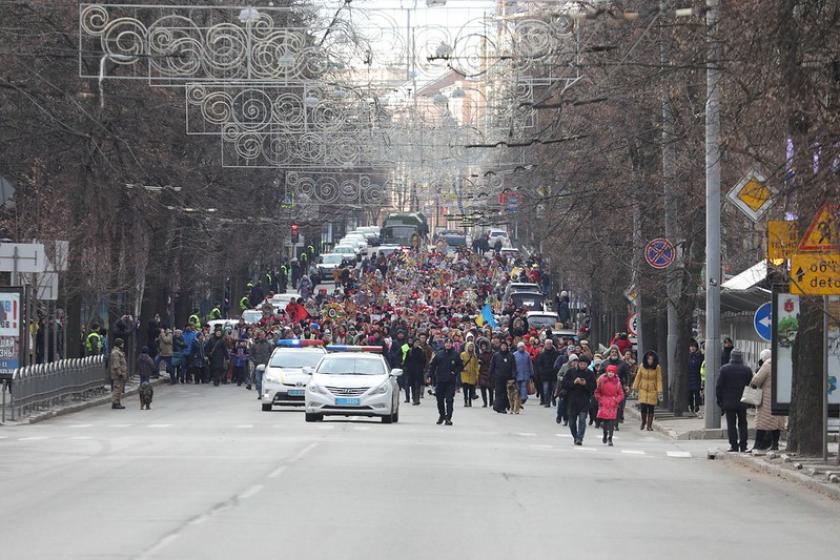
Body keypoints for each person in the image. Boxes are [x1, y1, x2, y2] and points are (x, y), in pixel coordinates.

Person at [716, 348, 752, 452]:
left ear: (731, 357)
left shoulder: (724, 369)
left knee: (731, 424)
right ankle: (743, 446)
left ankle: (734, 446)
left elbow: (719, 386)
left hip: (728, 402)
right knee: (743, 424)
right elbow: (751, 384)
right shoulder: (747, 370)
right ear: (741, 357)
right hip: (743, 402)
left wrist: (720, 401)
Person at [751, 349, 785, 452]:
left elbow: (756, 381)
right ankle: (775, 445)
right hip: (780, 397)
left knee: (761, 422)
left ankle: (757, 445)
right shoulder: (781, 364)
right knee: (777, 423)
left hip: (767, 398)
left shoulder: (767, 365)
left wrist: (753, 374)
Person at [561, 354, 595, 445]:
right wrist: (574, 382)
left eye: (585, 364)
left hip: (584, 400)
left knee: (582, 419)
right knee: (572, 422)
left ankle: (580, 438)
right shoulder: (571, 372)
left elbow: (593, 387)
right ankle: (575, 436)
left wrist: (585, 384)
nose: (583, 365)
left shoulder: (590, 374)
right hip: (572, 400)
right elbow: (564, 384)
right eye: (581, 363)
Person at [427, 339, 463, 425]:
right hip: (440, 380)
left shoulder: (455, 355)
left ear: (452, 344)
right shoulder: (439, 354)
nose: (448, 345)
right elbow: (433, 366)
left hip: (450, 381)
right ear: (444, 344)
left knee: (449, 400)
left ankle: (448, 418)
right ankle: (442, 415)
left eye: (450, 343)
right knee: (439, 400)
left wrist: (454, 372)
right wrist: (429, 376)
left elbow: (460, 366)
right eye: (446, 343)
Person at [633, 351, 663, 431]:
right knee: (643, 408)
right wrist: (635, 388)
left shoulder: (657, 367)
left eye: (651, 359)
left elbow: (659, 380)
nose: (650, 361)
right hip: (643, 389)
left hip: (652, 390)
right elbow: (638, 377)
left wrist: (659, 391)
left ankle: (649, 425)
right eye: (648, 359)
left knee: (651, 408)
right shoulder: (642, 366)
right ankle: (643, 421)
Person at [595, 364, 624, 446]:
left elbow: (621, 394)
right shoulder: (602, 380)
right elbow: (597, 391)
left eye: (612, 372)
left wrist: (616, 400)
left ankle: (610, 438)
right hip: (604, 402)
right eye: (609, 372)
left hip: (613, 403)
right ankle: (605, 434)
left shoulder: (617, 382)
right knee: (605, 421)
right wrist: (599, 399)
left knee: (611, 421)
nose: (611, 373)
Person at [490, 340, 515, 414]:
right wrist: (491, 375)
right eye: (502, 346)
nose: (503, 347)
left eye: (505, 346)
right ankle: (499, 407)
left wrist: (513, 376)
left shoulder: (511, 355)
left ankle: (504, 406)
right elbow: (492, 366)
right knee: (499, 393)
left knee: (505, 393)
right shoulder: (496, 355)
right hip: (498, 377)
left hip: (508, 378)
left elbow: (513, 367)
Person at [404, 337, 428, 405]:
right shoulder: (410, 351)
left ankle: (417, 399)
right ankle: (414, 398)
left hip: (419, 371)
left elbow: (424, 361)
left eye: (418, 343)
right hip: (411, 371)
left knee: (418, 385)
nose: (416, 344)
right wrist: (407, 368)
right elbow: (406, 361)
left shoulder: (422, 351)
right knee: (412, 386)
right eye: (415, 343)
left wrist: (423, 368)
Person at [535, 338, 559, 407]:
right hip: (545, 375)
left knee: (554, 389)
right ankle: (547, 402)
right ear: (545, 345)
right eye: (547, 344)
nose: (549, 345)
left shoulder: (556, 354)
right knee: (546, 390)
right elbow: (539, 364)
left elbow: (558, 363)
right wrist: (541, 371)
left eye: (550, 344)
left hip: (554, 374)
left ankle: (553, 398)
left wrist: (556, 370)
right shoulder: (541, 354)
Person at [250, 331, 273, 399]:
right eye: (261, 335)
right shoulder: (254, 345)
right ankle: (260, 394)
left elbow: (272, 354)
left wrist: (269, 362)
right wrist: (255, 361)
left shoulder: (268, 344)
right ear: (259, 336)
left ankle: (266, 395)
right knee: (258, 381)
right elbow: (251, 355)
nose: (262, 336)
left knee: (266, 383)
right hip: (258, 366)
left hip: (266, 366)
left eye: (263, 335)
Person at [109, 338, 128, 410]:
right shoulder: (115, 353)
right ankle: (115, 403)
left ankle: (118, 402)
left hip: (120, 373)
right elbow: (116, 364)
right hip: (117, 374)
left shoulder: (118, 352)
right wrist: (120, 373)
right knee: (117, 388)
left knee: (119, 389)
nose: (123, 345)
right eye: (122, 343)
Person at [513, 341, 534, 405]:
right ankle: (520, 397)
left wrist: (531, 373)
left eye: (522, 347)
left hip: (525, 373)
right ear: (518, 347)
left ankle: (523, 397)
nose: (521, 348)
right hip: (517, 373)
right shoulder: (514, 354)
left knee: (523, 386)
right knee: (518, 387)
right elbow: (512, 365)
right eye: (520, 347)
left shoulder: (527, 354)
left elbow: (530, 364)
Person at [459, 341, 479, 407]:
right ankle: (465, 400)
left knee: (471, 389)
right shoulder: (463, 354)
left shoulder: (474, 355)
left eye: (472, 346)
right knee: (465, 388)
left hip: (472, 374)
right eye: (470, 346)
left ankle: (470, 401)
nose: (471, 348)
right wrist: (463, 368)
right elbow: (460, 363)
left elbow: (476, 365)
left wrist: (477, 373)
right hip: (465, 373)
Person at [687, 340, 704, 414]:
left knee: (697, 393)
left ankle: (697, 407)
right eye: (691, 346)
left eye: (694, 346)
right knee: (690, 393)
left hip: (697, 376)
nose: (692, 348)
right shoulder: (687, 356)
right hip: (689, 377)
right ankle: (691, 407)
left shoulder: (700, 356)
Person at [477, 340, 494, 408]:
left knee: (490, 388)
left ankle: (491, 402)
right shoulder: (480, 354)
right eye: (482, 346)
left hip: (489, 371)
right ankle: (485, 402)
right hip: (482, 372)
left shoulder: (491, 353)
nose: (483, 347)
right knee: (483, 388)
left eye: (484, 346)